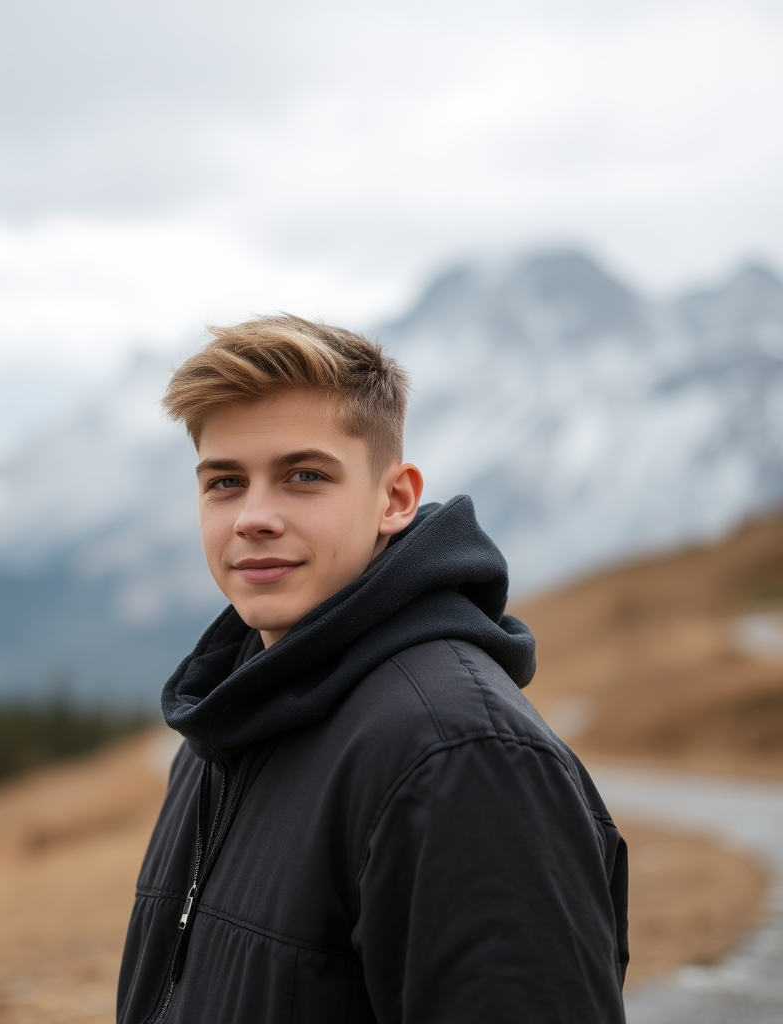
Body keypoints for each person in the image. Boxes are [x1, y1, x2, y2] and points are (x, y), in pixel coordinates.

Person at [117, 315, 628, 1024]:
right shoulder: (223, 726)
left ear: (395, 499)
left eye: (304, 476)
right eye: (225, 482)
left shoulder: (459, 758)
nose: (253, 517)